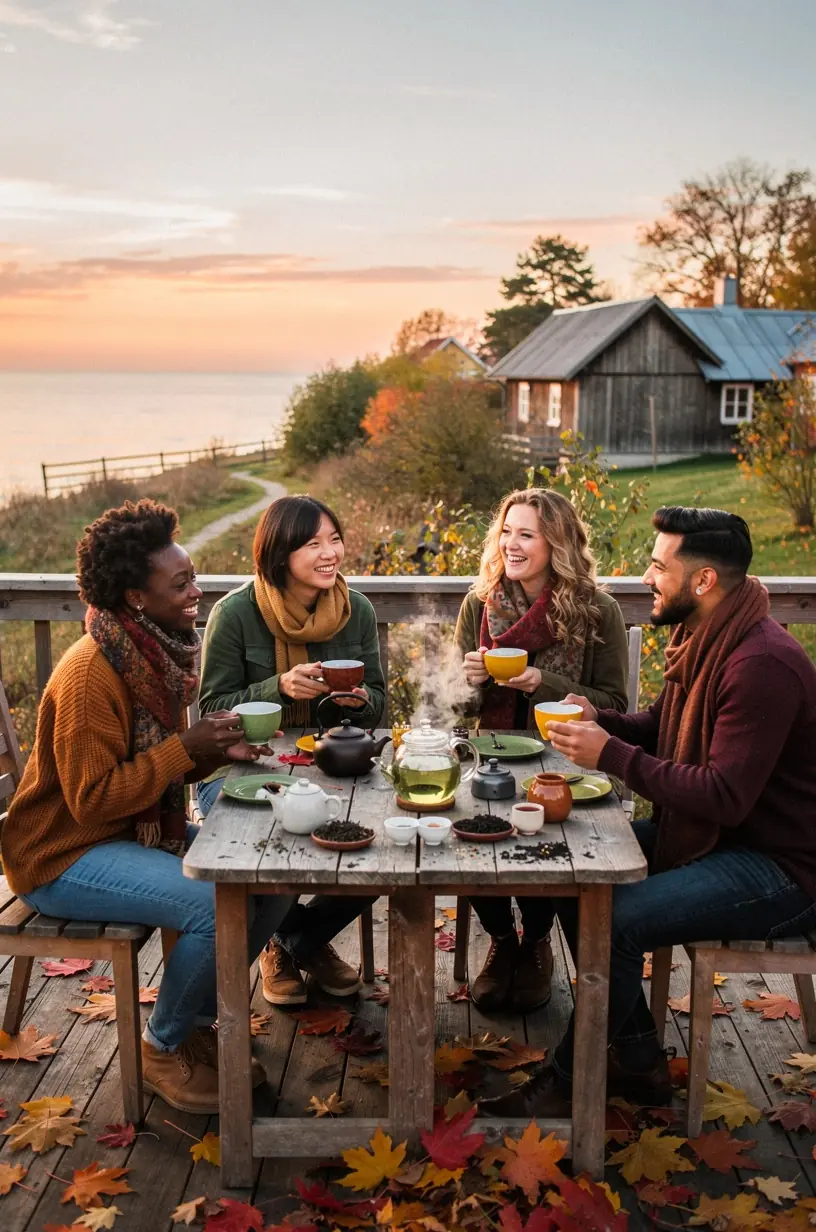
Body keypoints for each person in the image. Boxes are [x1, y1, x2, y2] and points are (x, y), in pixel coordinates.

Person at [486, 505, 816, 1117]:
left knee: (615, 917)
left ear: (703, 581)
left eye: (658, 566)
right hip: (718, 837)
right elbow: (660, 726)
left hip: (780, 866)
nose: (645, 577)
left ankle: (569, 1078)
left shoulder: (760, 664)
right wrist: (598, 720)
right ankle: (637, 1058)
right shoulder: (707, 636)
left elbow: (724, 794)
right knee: (565, 869)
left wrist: (610, 754)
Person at [1, 499, 292, 1115]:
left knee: (272, 877)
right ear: (136, 596)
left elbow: (156, 770)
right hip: (62, 854)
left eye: (193, 575)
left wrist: (213, 754)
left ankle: (194, 1023)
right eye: (181, 582)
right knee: (216, 902)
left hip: (125, 833)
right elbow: (90, 802)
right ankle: (163, 1045)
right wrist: (185, 747)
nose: (197, 589)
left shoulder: (155, 656)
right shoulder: (91, 674)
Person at [198, 494, 385, 1007]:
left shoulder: (356, 610)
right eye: (312, 544)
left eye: (335, 539)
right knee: (270, 843)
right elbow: (211, 707)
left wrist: (359, 702)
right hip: (243, 768)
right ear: (280, 555)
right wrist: (276, 687)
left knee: (380, 843)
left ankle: (296, 938)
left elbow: (379, 705)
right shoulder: (235, 613)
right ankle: (287, 944)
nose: (330, 553)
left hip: (329, 762)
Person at [455, 488, 628, 1015]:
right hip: (492, 756)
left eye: (526, 534)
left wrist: (541, 683)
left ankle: (535, 942)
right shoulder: (479, 602)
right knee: (469, 825)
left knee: (548, 831)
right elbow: (460, 708)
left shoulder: (596, 610)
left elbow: (616, 705)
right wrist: (470, 682)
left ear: (557, 544)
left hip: (568, 764)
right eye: (507, 531)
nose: (511, 543)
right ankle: (502, 938)